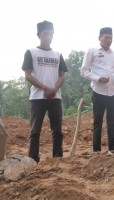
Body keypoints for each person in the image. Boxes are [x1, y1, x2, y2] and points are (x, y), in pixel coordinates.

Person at [22, 20, 68, 163]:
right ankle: (33, 160)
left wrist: (54, 89)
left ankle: (58, 159)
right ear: (39, 34)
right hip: (37, 97)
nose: (48, 36)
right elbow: (28, 75)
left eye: (51, 33)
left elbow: (62, 75)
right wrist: (45, 88)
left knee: (57, 131)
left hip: (55, 97)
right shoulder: (31, 52)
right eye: (45, 33)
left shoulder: (58, 54)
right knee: (35, 131)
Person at [80, 27, 114, 155]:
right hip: (99, 91)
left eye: (110, 38)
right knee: (98, 120)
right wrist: (98, 78)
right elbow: (83, 71)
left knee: (112, 121)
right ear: (99, 38)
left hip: (113, 91)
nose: (108, 40)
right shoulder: (92, 51)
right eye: (106, 37)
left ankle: (112, 149)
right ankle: (96, 151)